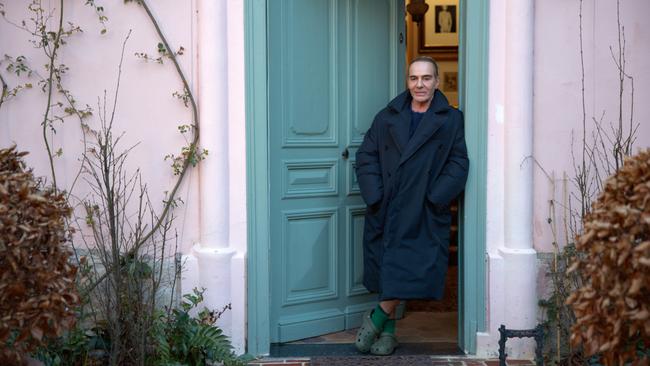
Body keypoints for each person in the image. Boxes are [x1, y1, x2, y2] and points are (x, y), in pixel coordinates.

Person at [354, 56, 469, 355]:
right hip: (389, 206)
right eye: (414, 78)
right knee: (388, 270)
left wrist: (435, 198)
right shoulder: (387, 116)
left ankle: (376, 318)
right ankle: (389, 333)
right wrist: (375, 195)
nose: (420, 84)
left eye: (427, 78)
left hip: (423, 210)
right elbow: (366, 156)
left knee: (412, 269)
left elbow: (459, 163)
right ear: (408, 81)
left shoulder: (451, 119)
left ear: (437, 82)